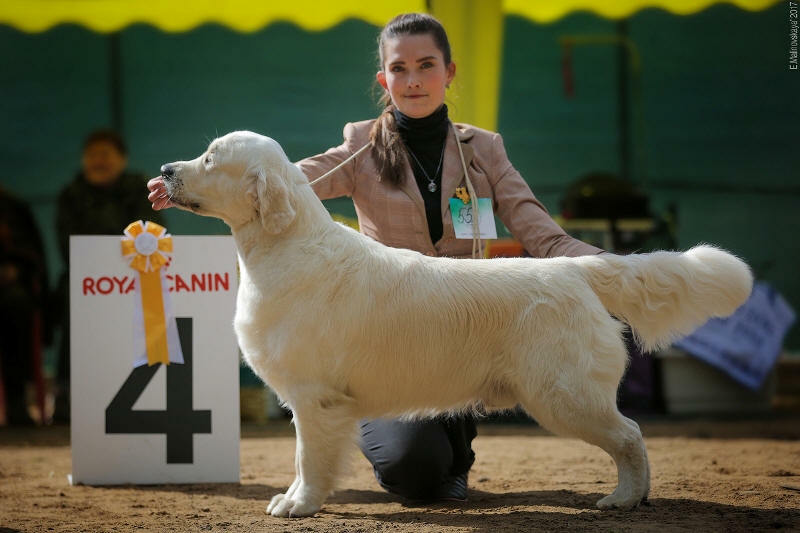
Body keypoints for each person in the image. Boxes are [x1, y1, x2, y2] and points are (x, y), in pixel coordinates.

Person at [147, 12, 604, 503]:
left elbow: (543, 234)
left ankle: (457, 440)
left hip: (469, 325)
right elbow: (283, 181)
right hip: (389, 339)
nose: (412, 80)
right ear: (383, 79)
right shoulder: (358, 147)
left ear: (449, 72)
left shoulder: (484, 149)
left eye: (425, 65)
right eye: (399, 69)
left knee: (446, 450)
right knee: (414, 474)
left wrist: (611, 269)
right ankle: (440, 453)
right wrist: (191, 185)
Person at [54, 129, 163, 421]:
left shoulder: (142, 190)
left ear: (122, 159)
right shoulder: (70, 195)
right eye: (92, 155)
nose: (98, 161)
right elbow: (66, 245)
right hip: (83, 277)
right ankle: (65, 393)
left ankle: (153, 388)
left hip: (139, 276)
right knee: (69, 301)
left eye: (105, 154)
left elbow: (154, 236)